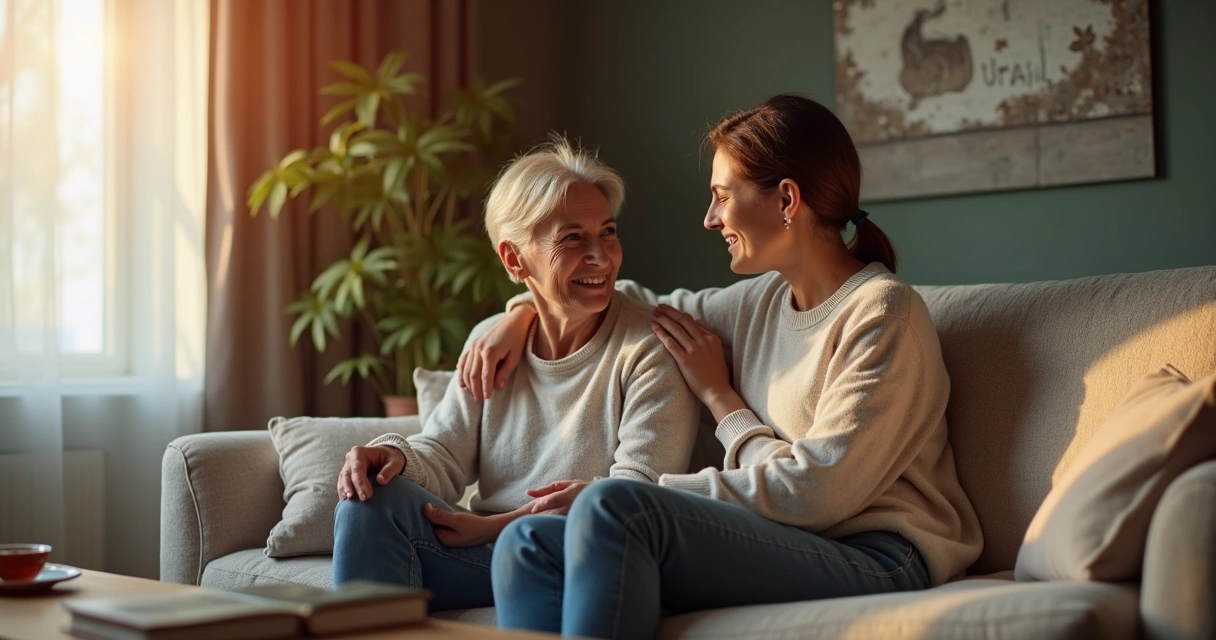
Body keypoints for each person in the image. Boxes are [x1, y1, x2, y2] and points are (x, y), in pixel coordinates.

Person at [462, 95, 983, 639]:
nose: (710, 219)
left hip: (880, 554)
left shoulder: (881, 312)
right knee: (527, 544)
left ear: (785, 199)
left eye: (721, 197)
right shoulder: (758, 302)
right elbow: (627, 303)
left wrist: (722, 405)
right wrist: (519, 313)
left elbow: (820, 493)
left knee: (614, 507)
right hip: (789, 539)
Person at [330, 137, 700, 613]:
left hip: (565, 555)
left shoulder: (649, 347)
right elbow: (444, 453)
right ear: (513, 259)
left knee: (527, 543)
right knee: (368, 501)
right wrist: (390, 455)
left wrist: (498, 525)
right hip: (482, 555)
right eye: (572, 239)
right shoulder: (492, 341)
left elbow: (634, 494)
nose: (602, 257)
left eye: (607, 232)